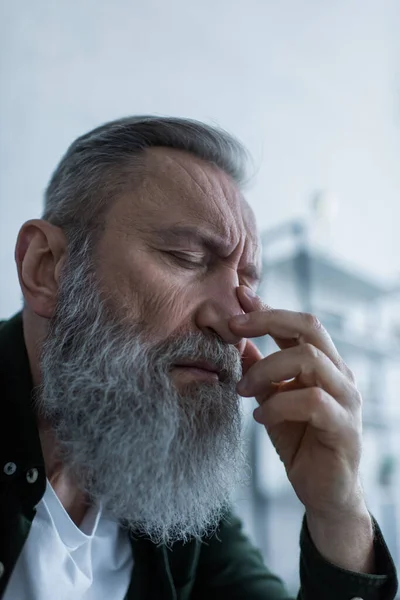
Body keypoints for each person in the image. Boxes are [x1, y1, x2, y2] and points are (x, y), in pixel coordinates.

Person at [0, 116, 397, 600]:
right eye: (187, 257)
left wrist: (339, 511)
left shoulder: (156, 483)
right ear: (46, 268)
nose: (233, 318)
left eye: (247, 285)